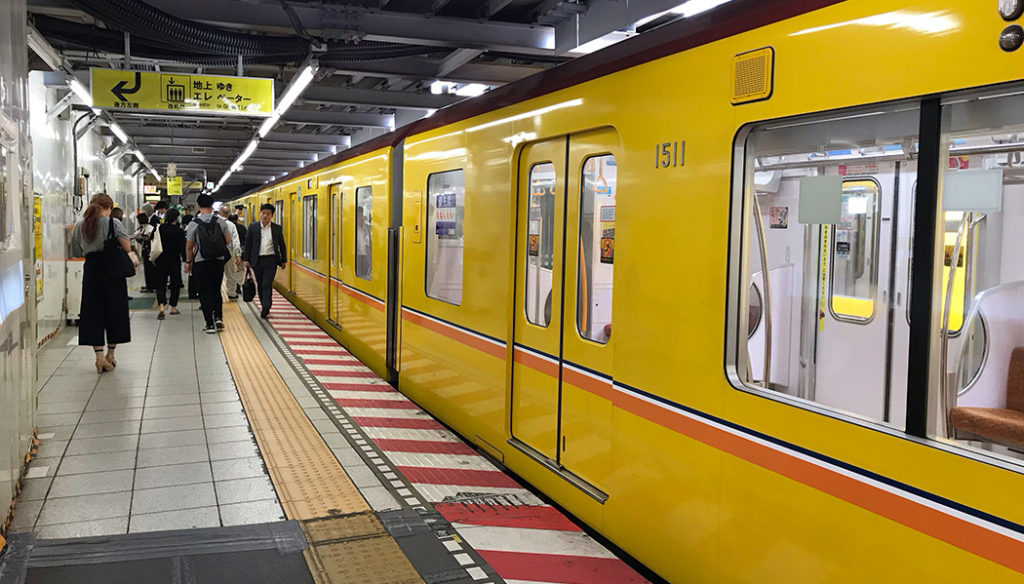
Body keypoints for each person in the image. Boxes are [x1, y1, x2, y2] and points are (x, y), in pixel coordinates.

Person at [69, 193, 132, 373]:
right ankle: (110, 355)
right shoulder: (113, 223)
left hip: (92, 271)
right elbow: (126, 247)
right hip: (113, 271)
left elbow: (76, 250)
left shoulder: (80, 226)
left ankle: (98, 357)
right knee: (115, 311)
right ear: (108, 207)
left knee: (92, 312)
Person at [185, 194, 233, 333]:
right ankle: (218, 318)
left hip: (201, 263)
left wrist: (188, 262)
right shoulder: (221, 222)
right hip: (217, 262)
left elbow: (189, 246)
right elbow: (228, 241)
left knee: (204, 293)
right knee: (216, 290)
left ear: (198, 206)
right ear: (212, 206)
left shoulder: (193, 224)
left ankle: (209, 324)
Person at [243, 203, 287, 319]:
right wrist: (246, 259)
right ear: (260, 214)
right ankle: (264, 304)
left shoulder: (277, 228)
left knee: (267, 283)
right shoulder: (253, 227)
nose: (265, 216)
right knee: (260, 284)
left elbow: (282, 245)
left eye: (268, 214)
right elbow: (247, 244)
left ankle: (266, 306)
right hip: (257, 260)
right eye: (263, 213)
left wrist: (284, 260)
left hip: (271, 260)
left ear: (272, 215)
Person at [153, 208, 186, 319]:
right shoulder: (179, 231)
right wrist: (187, 261)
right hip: (174, 261)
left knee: (160, 284)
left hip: (160, 260)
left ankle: (162, 306)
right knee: (175, 284)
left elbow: (153, 241)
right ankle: (173, 308)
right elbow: (183, 248)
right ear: (177, 218)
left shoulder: (159, 228)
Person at [218, 206, 244, 300]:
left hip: (215, 253)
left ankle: (216, 293)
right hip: (229, 252)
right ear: (228, 214)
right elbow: (235, 240)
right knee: (231, 274)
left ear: (219, 213)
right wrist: (238, 254)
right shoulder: (231, 225)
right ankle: (231, 293)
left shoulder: (214, 222)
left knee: (216, 274)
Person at [133, 211, 155, 292]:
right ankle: (149, 285)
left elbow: (147, 238)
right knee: (147, 269)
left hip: (149, 251)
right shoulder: (142, 228)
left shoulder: (149, 227)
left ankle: (151, 286)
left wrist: (140, 236)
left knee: (150, 269)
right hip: (146, 250)